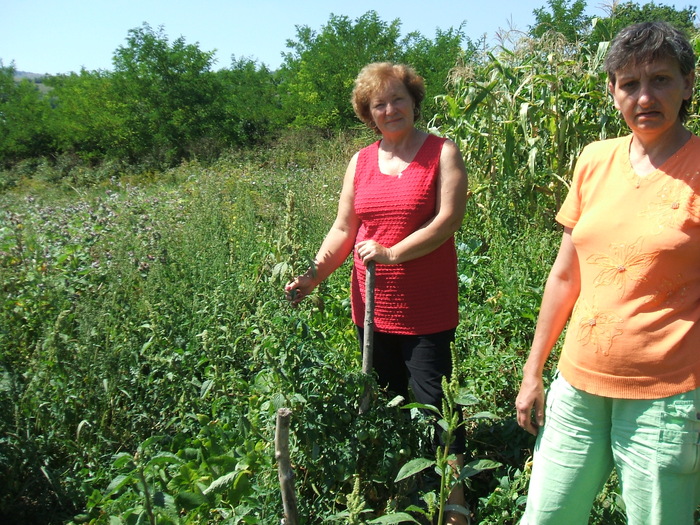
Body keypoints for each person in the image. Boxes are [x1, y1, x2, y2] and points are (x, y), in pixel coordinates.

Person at [515, 21, 700, 525]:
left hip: (667, 396)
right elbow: (564, 276)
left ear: (688, 83)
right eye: (630, 83)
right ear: (611, 90)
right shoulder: (594, 159)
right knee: (547, 516)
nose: (645, 96)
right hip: (578, 386)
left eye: (661, 79)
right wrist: (535, 371)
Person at [284, 62, 469, 524]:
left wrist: (393, 254)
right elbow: (345, 227)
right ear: (369, 114)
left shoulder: (442, 153)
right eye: (379, 104)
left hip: (424, 305)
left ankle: (455, 497)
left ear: (413, 101)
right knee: (386, 397)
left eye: (397, 98)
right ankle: (398, 481)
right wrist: (312, 276)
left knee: (434, 400)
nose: (390, 109)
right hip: (371, 304)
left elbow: (446, 222)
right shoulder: (361, 161)